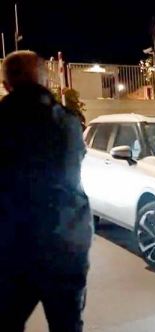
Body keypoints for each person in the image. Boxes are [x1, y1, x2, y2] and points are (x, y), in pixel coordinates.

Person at [0, 51, 92, 331]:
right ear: (44, 78)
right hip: (65, 245)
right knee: (67, 325)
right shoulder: (67, 123)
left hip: (10, 249)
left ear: (6, 85)